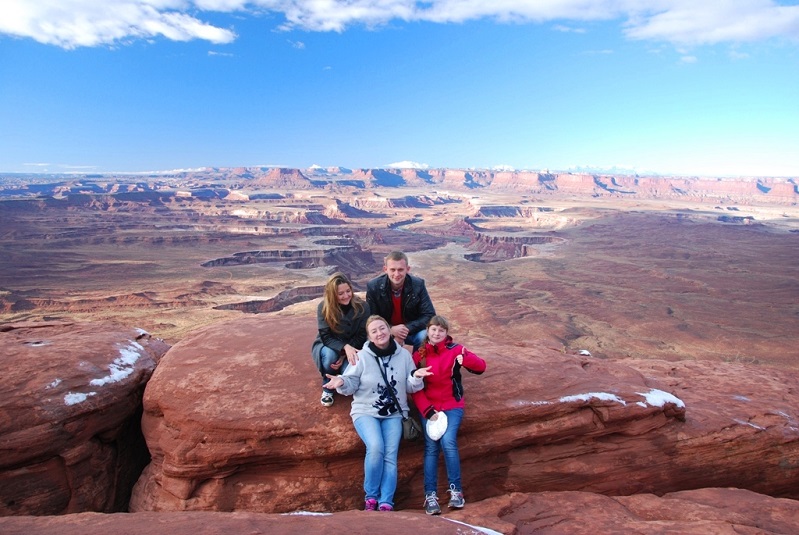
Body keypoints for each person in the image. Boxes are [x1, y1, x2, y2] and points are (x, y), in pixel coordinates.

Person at [323, 315, 431, 512]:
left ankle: (386, 502)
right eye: (374, 331)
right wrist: (341, 382)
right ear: (369, 336)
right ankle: (371, 498)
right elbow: (351, 382)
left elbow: (409, 386)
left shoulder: (404, 356)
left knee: (390, 455)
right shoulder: (361, 356)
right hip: (366, 412)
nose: (380, 333)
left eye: (382, 328)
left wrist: (415, 377)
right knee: (375, 447)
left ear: (389, 330)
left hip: (394, 414)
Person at [410, 315, 486, 515]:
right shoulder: (419, 354)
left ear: (446, 333)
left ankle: (456, 491)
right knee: (431, 446)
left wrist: (467, 360)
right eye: (433, 330)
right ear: (428, 330)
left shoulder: (456, 350)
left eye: (441, 331)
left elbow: (481, 366)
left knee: (448, 441)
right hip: (430, 407)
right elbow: (415, 387)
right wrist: (428, 411)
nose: (436, 334)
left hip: (452, 404)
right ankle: (430, 495)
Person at [311, 272, 370, 407]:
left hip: (354, 345)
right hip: (329, 346)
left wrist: (344, 356)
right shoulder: (323, 307)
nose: (346, 296)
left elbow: (362, 334)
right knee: (331, 357)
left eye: (348, 291)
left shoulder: (363, 306)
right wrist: (344, 347)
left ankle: (339, 378)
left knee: (348, 371)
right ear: (333, 295)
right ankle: (327, 386)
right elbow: (325, 336)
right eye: (340, 293)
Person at [366, 251, 436, 352]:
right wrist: (390, 330)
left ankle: (418, 363)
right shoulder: (373, 286)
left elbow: (429, 315)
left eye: (400, 270)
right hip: (385, 332)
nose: (396, 274)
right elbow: (371, 318)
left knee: (425, 336)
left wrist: (405, 329)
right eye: (392, 270)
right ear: (385, 269)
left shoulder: (418, 285)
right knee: (370, 341)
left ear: (407, 269)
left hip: (411, 331)